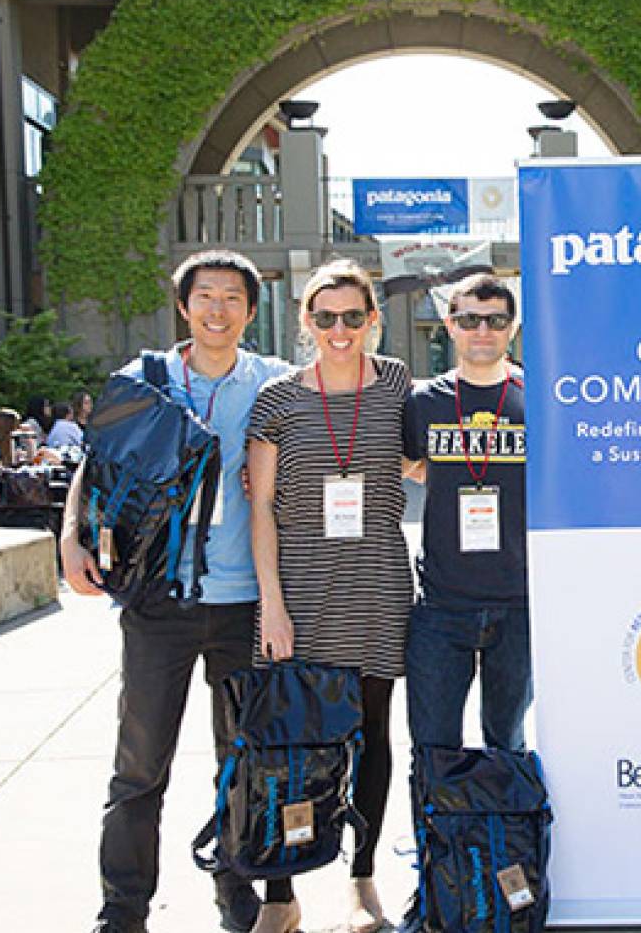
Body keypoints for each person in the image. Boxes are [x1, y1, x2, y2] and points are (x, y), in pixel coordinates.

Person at [59, 249, 294, 933]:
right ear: (184, 306)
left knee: (245, 763)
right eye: (205, 296)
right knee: (139, 768)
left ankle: (239, 892)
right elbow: (96, 466)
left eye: (232, 299)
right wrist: (71, 537)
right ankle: (123, 911)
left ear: (251, 312)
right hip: (160, 600)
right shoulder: (146, 379)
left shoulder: (275, 385)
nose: (217, 309)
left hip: (245, 605)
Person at [246, 259, 412, 933]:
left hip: (377, 582)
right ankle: (281, 897)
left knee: (372, 736)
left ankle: (362, 880)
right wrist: (272, 604)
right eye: (324, 317)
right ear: (306, 322)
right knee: (290, 741)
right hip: (303, 588)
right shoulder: (279, 400)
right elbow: (260, 509)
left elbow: (426, 452)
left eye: (352, 317)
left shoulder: (398, 384)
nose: (338, 330)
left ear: (373, 319)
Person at [402, 273, 530, 753]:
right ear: (449, 326)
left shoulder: (536, 399)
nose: (482, 331)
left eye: (495, 320)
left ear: (512, 328)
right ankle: (436, 832)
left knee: (508, 742)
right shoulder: (423, 401)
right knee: (433, 747)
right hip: (442, 603)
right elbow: (405, 467)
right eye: (469, 319)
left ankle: (506, 830)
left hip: (519, 600)